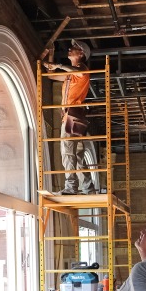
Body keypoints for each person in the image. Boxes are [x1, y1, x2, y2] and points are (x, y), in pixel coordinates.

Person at [42, 39, 95, 195]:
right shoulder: (71, 75)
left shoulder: (82, 69)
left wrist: (58, 65)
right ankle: (88, 187)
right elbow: (51, 76)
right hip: (74, 116)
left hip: (72, 115)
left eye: (74, 48)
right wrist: (51, 56)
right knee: (77, 155)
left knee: (67, 152)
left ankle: (71, 187)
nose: (70, 49)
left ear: (82, 53)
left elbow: (77, 71)